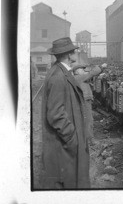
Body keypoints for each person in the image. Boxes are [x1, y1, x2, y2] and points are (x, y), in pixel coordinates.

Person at [40, 37, 90, 189]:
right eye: (74, 51)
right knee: (69, 184)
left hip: (64, 144)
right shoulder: (58, 77)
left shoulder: (59, 71)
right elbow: (55, 114)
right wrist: (72, 137)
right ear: (69, 55)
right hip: (64, 145)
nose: (76, 53)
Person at [73, 63, 107, 145]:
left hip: (84, 100)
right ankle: (90, 140)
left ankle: (85, 139)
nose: (84, 70)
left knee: (86, 120)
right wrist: (101, 66)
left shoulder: (79, 78)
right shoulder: (79, 77)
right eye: (82, 69)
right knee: (88, 120)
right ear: (76, 71)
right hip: (84, 101)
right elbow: (91, 73)